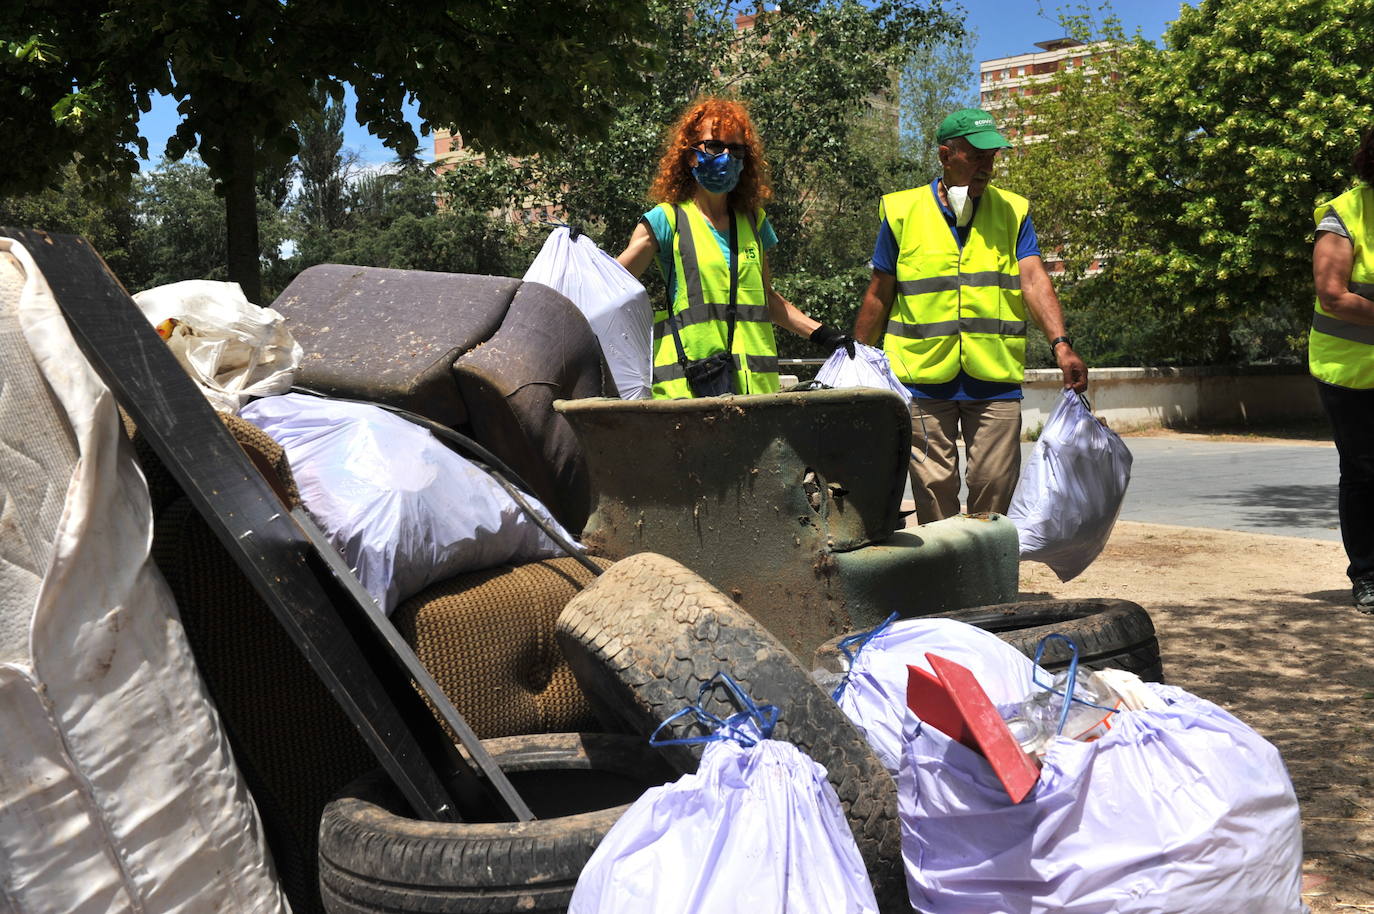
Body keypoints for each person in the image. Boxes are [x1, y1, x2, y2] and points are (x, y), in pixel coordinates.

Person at [851, 108, 1087, 524]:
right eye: (976, 156)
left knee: (994, 485)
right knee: (933, 491)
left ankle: (984, 576)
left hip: (993, 377)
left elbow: (1033, 280)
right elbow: (879, 292)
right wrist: (856, 362)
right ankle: (943, 581)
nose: (986, 167)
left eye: (991, 158)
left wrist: (1061, 346)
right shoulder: (901, 211)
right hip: (920, 377)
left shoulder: (1013, 211)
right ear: (945, 155)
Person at [618, 96, 853, 399]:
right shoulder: (666, 220)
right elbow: (613, 288)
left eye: (736, 149)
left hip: (756, 394)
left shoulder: (755, 223)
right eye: (714, 146)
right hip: (690, 393)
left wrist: (823, 335)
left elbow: (765, 299)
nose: (726, 156)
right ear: (690, 155)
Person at [1311, 125, 1374, 612]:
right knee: (1363, 472)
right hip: (1351, 371)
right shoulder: (1345, 215)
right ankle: (1369, 576)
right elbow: (1332, 295)